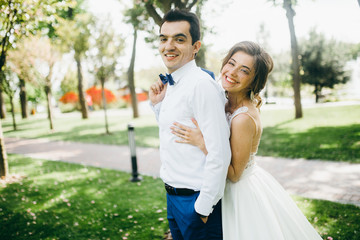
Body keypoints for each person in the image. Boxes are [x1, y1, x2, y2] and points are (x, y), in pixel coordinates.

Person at [171, 41, 323, 239]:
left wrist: (202, 142)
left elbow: (234, 174)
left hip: (239, 194)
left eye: (244, 70)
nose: (232, 72)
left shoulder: (242, 118)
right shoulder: (224, 101)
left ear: (254, 81)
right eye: (231, 63)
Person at [149, 9, 231, 240]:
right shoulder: (173, 83)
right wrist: (157, 106)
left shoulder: (201, 85)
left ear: (196, 46)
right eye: (164, 38)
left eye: (179, 39)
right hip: (173, 198)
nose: (169, 45)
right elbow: (174, 133)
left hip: (196, 201)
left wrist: (202, 208)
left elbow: (220, 153)